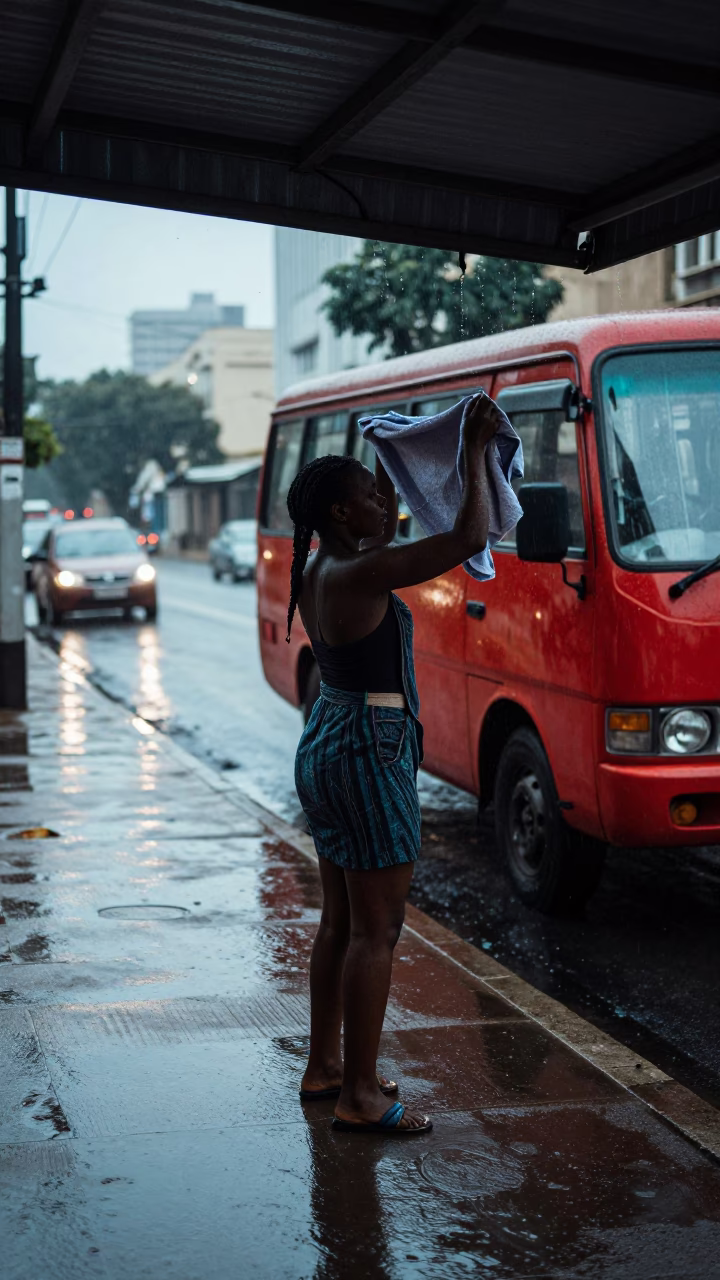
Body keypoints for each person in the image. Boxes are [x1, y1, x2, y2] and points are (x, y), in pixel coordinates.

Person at [286, 393, 502, 1135]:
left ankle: (327, 1068)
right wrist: (471, 450)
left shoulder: (325, 564)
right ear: (343, 516)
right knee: (378, 931)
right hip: (367, 753)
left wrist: (390, 450)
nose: (385, 504)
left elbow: (390, 513)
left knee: (341, 921)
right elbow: (468, 533)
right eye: (370, 497)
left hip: (329, 740)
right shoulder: (361, 571)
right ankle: (360, 1098)